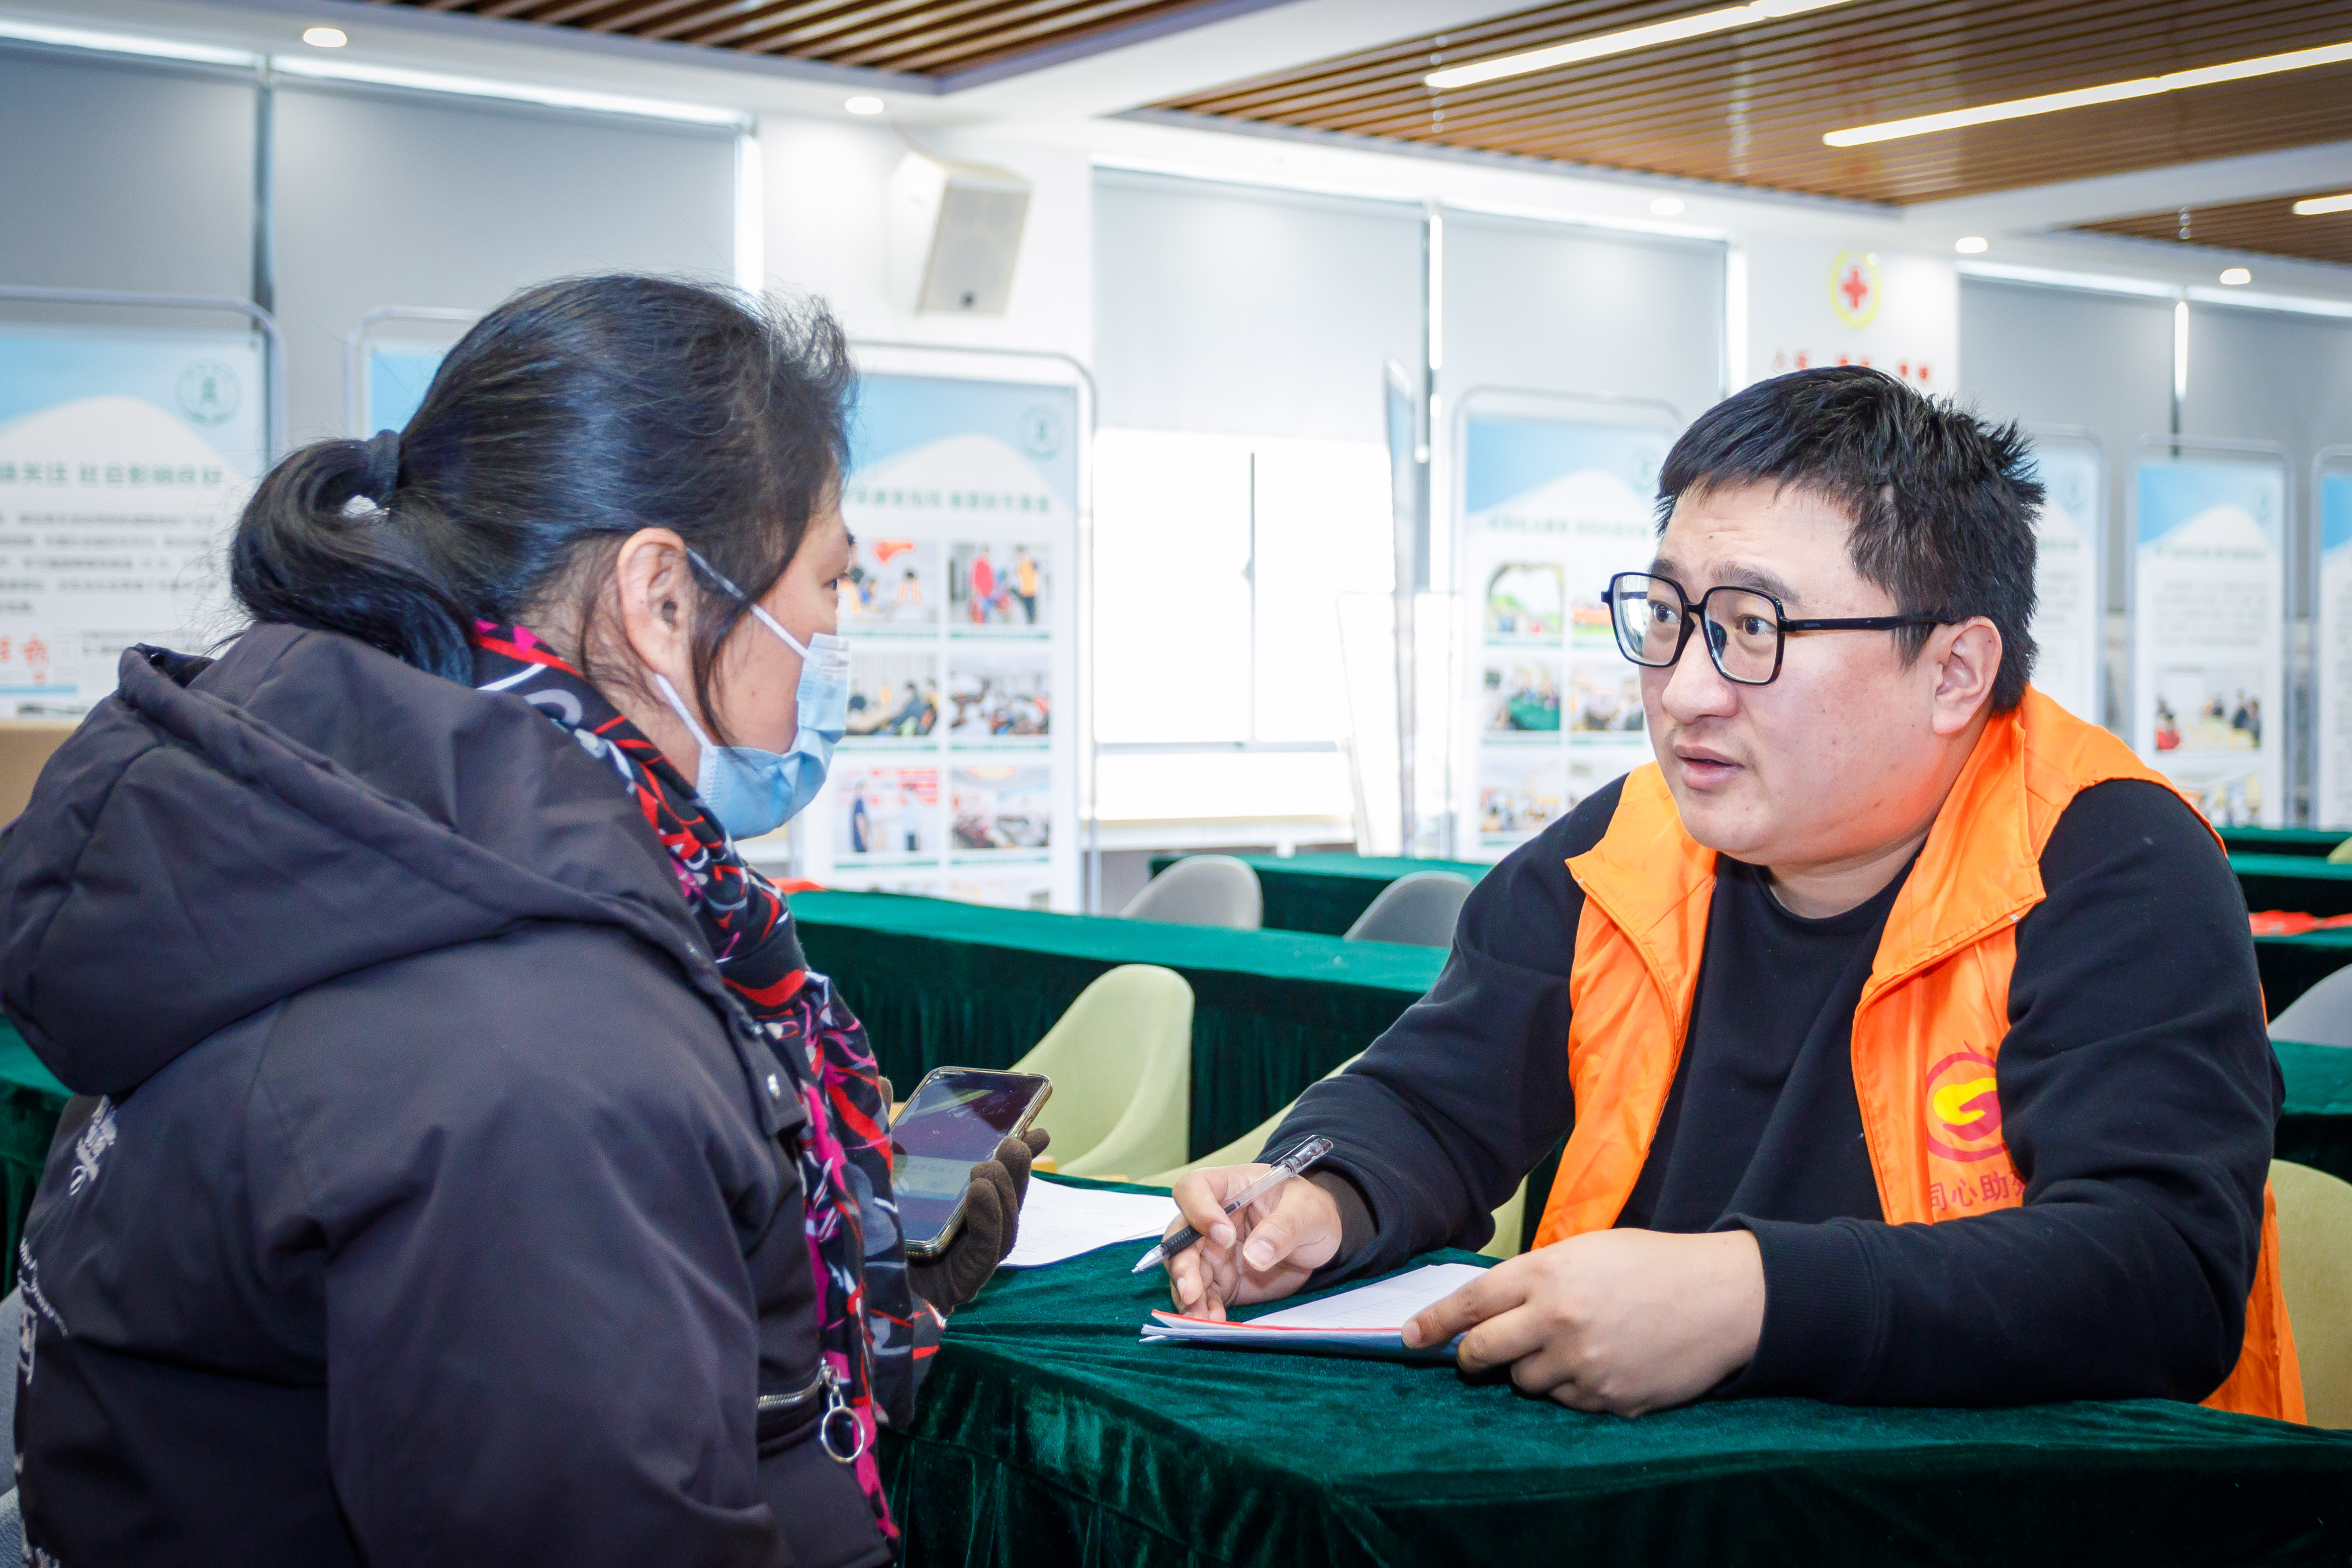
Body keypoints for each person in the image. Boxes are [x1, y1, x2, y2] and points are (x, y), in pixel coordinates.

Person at [0, 275, 1045, 1567]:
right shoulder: (539, 1043)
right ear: (661, 596)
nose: (836, 629)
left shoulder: (327, 850)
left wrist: (866, 1279)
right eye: (829, 579)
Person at [1163, 367, 2300, 1422]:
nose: (1685, 692)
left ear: (1953, 671)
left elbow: (2158, 1271)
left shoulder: (2110, 863)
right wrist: (1322, 1198)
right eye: (1667, 618)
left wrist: (1750, 1298)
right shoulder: (1621, 846)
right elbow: (1432, 1103)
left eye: (1752, 628)